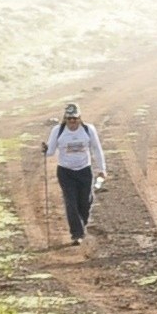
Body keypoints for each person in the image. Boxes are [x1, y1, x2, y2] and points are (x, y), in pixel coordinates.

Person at [42, 103, 104, 244]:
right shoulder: (58, 130)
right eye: (69, 118)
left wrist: (102, 169)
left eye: (74, 118)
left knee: (86, 201)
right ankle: (77, 234)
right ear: (65, 118)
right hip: (65, 172)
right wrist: (45, 149)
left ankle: (81, 224)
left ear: (79, 118)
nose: (72, 122)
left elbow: (97, 150)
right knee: (71, 202)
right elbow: (50, 152)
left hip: (84, 170)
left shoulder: (88, 130)